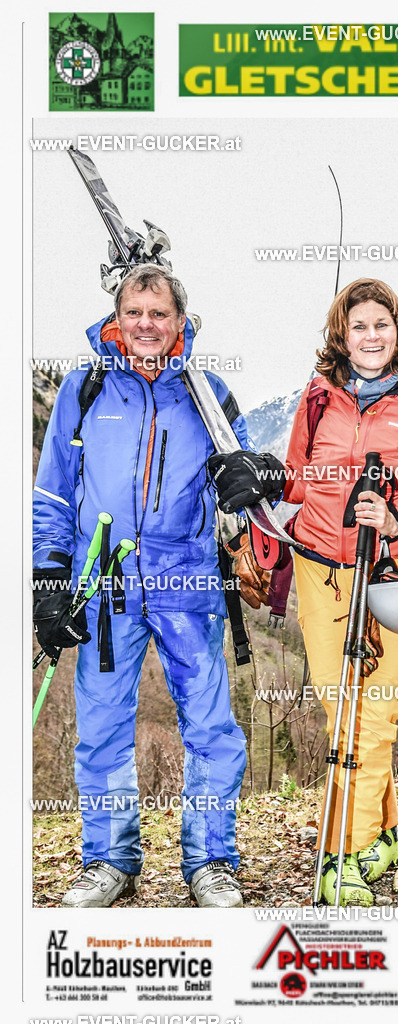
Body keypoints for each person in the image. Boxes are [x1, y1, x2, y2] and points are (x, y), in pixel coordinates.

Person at [32, 263, 283, 908]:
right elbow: (54, 489)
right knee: (102, 726)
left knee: (210, 726)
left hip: (188, 583)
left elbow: (246, 478)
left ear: (179, 321)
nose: (146, 325)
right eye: (134, 312)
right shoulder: (85, 390)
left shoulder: (207, 392)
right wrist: (48, 578)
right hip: (103, 584)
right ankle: (110, 861)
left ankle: (210, 863)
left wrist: (253, 476)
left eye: (159, 313)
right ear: (117, 317)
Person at [213, 278, 398, 905]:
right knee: (337, 709)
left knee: (372, 716)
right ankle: (386, 834)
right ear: (341, 335)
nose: (370, 335)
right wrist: (261, 473)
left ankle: (341, 855)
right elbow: (297, 479)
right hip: (321, 569)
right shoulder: (320, 397)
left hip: (393, 572)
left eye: (381, 324)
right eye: (358, 326)